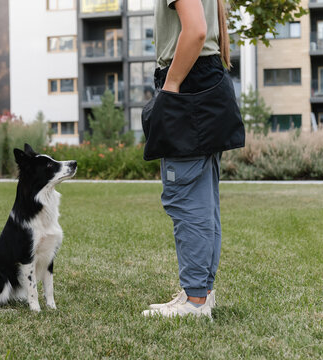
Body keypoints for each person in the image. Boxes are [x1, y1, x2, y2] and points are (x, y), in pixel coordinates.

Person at [141, 0, 233, 319]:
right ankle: (201, 294)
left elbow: (194, 31)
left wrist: (170, 86)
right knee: (203, 199)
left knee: (185, 198)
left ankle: (194, 301)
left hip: (188, 82)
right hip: (204, 82)